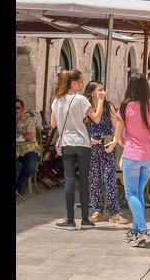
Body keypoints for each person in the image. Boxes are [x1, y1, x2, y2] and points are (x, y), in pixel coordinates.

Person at [115, 73, 150, 247]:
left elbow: (118, 136)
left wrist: (128, 144)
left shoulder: (125, 107)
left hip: (132, 155)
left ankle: (143, 229)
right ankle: (135, 230)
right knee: (139, 192)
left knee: (131, 194)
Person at [51, 69, 102, 230]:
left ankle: (69, 220)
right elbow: (97, 118)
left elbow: (53, 124)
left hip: (67, 143)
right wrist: (100, 100)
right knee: (84, 180)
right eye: (80, 82)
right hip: (83, 143)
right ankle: (85, 220)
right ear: (73, 83)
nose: (82, 84)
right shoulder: (81, 100)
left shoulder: (56, 101)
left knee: (69, 180)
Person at [84, 80, 128, 225]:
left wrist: (115, 141)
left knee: (109, 178)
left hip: (107, 145)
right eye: (99, 90)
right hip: (91, 147)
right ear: (91, 92)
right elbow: (83, 126)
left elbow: (117, 127)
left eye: (103, 89)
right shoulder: (86, 107)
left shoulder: (108, 107)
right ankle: (97, 211)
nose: (103, 92)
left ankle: (114, 213)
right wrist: (88, 139)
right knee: (93, 179)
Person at [15, 98, 40, 196]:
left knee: (29, 167)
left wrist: (19, 136)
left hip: (29, 149)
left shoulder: (28, 120)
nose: (16, 110)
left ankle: (19, 186)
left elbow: (30, 137)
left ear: (22, 109)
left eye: (17, 108)